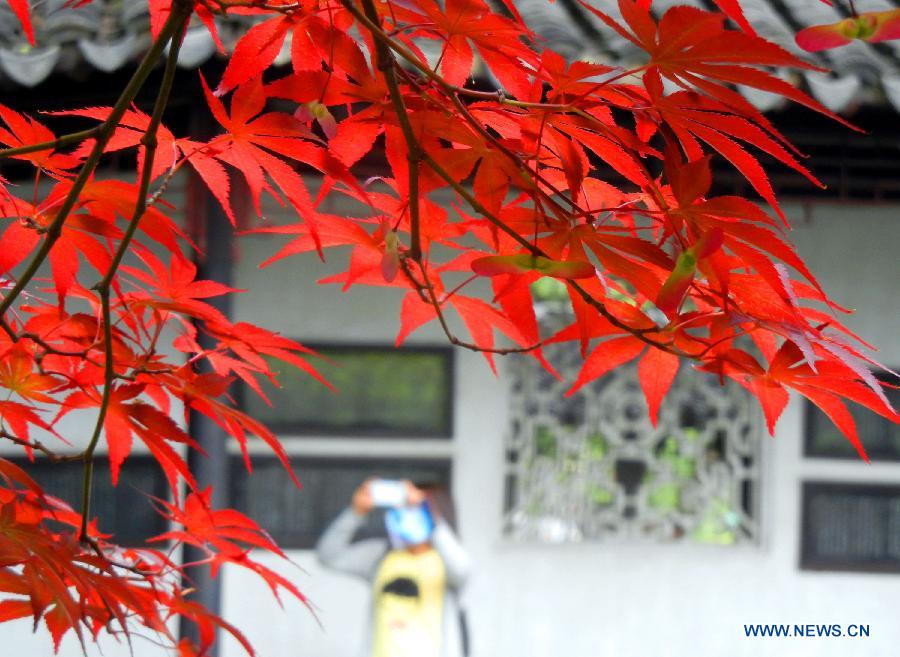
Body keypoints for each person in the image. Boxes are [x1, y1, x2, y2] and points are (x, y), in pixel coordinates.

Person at [316, 479, 472, 657]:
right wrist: (355, 512)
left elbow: (463, 571)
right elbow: (328, 555)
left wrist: (431, 516)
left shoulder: (446, 562)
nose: (411, 512)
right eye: (407, 506)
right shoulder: (381, 555)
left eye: (419, 508)